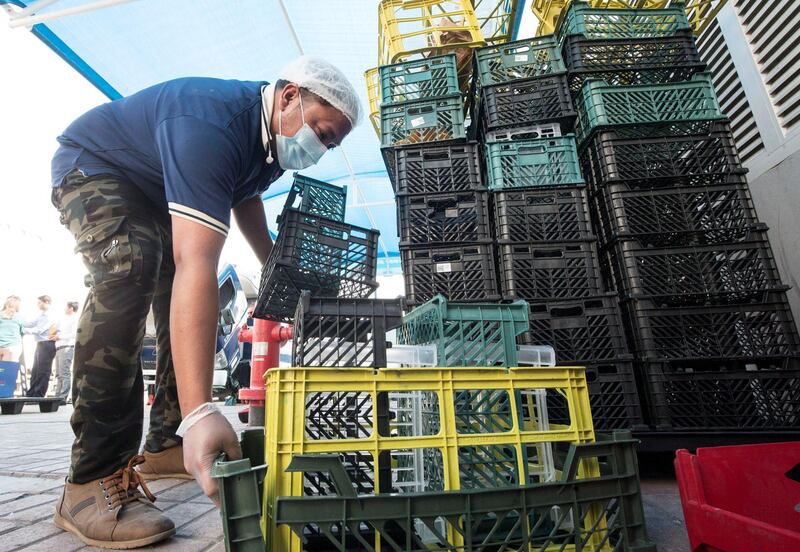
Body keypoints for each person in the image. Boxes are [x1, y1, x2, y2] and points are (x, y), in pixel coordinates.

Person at [48, 56, 360, 548]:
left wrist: (279, 269)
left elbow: (245, 199)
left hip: (153, 191)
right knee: (131, 271)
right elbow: (198, 262)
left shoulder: (269, 146)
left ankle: (165, 441)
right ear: (289, 96)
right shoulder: (209, 123)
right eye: (321, 133)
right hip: (96, 169)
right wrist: (203, 411)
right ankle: (91, 479)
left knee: (186, 301)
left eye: (331, 144)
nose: (318, 149)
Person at [25, 295, 56, 397]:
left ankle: (39, 394)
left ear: (46, 302)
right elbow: (30, 323)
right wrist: (18, 322)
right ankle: (32, 393)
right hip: (40, 343)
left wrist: (23, 330)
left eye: (39, 302)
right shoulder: (41, 315)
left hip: (47, 343)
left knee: (43, 370)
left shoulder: (50, 315)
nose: (38, 305)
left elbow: (40, 329)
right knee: (36, 370)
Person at [53, 301, 79, 402]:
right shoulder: (63, 319)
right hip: (59, 347)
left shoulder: (74, 319)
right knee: (59, 373)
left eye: (66, 307)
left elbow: (73, 334)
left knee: (64, 372)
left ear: (71, 308)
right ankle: (57, 396)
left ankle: (63, 397)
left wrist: (60, 336)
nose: (64, 308)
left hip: (67, 347)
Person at [0, 295, 24, 362]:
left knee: (2, 370)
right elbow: (22, 332)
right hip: (13, 346)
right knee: (8, 370)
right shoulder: (19, 317)